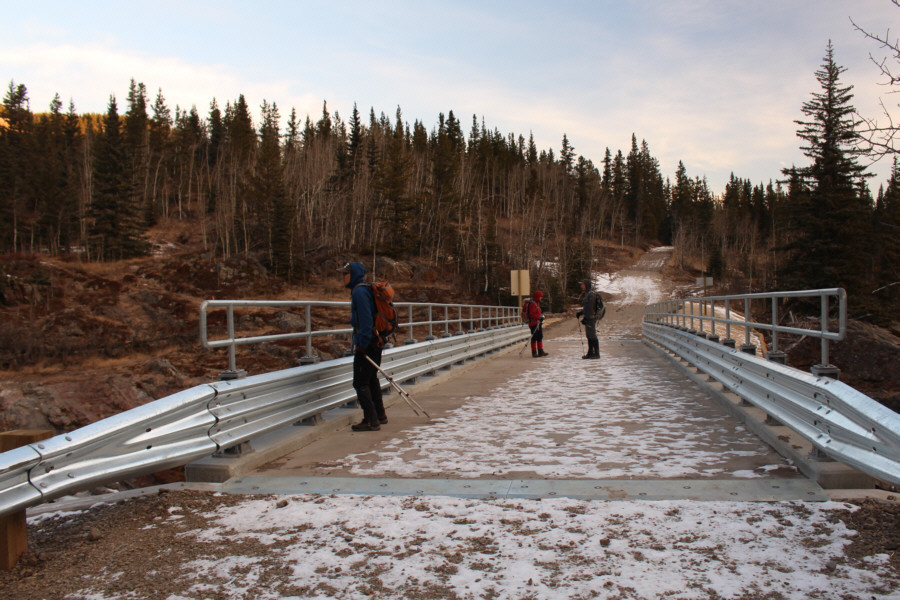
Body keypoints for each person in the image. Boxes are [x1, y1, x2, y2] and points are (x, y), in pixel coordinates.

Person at [342, 261, 387, 431]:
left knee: (360, 382)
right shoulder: (365, 289)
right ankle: (380, 414)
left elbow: (366, 321)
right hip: (376, 341)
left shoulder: (359, 292)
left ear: (352, 275)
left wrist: (361, 344)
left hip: (368, 344)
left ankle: (371, 420)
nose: (342, 277)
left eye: (345, 274)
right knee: (371, 378)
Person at [576, 279, 601, 359]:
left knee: (592, 335)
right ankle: (590, 352)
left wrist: (585, 316)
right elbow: (587, 307)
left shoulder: (591, 294)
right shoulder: (587, 294)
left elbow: (590, 307)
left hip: (591, 318)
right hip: (588, 317)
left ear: (586, 285)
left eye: (582, 284)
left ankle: (596, 353)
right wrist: (581, 313)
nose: (581, 286)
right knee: (589, 335)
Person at [522, 290, 549, 358]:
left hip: (537, 322)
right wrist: (538, 317)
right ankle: (534, 352)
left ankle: (540, 351)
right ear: (537, 297)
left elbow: (537, 312)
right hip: (533, 323)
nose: (541, 298)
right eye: (540, 297)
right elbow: (531, 314)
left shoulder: (536, 303)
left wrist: (540, 317)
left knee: (540, 336)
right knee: (534, 337)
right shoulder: (533, 304)